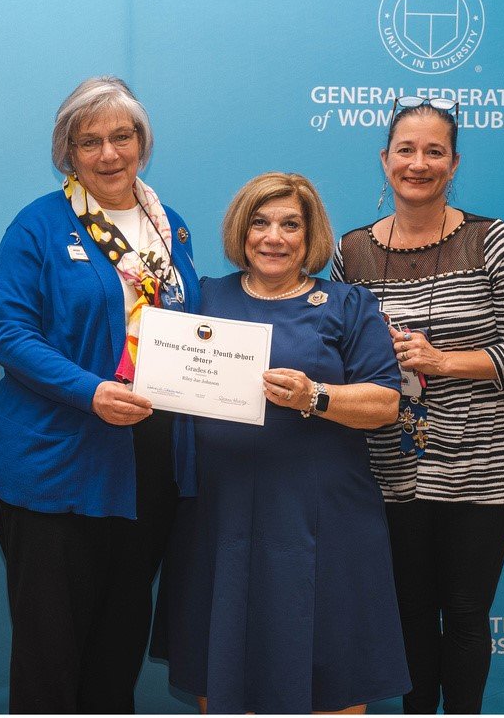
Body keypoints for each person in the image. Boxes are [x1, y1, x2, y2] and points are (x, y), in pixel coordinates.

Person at [154, 172, 409, 714]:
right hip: (219, 515)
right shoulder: (203, 297)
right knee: (220, 662)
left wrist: (315, 396)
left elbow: (386, 402)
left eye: (290, 225)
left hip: (322, 517)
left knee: (329, 665)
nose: (274, 237)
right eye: (260, 223)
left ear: (309, 235)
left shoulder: (348, 304)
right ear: (240, 232)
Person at [332, 96, 504, 714]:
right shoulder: (351, 253)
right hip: (391, 468)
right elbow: (335, 348)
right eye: (406, 150)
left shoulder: (491, 240)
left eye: (434, 152)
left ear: (454, 164)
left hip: (484, 464)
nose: (419, 163)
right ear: (384, 159)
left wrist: (441, 362)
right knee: (406, 613)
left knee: (464, 611)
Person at [0, 76, 200, 713]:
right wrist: (90, 391)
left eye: (122, 137)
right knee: (52, 653)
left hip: (146, 466)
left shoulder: (171, 228)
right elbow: (9, 333)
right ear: (68, 153)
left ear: (143, 142)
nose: (109, 154)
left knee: (120, 643)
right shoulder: (39, 226)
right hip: (60, 463)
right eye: (90, 142)